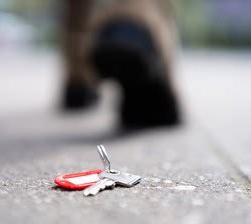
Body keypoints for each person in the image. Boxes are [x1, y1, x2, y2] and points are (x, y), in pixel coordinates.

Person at [62, 0, 180, 128]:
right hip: (136, 34)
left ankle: (78, 68)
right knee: (131, 27)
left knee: (79, 10)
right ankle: (134, 15)